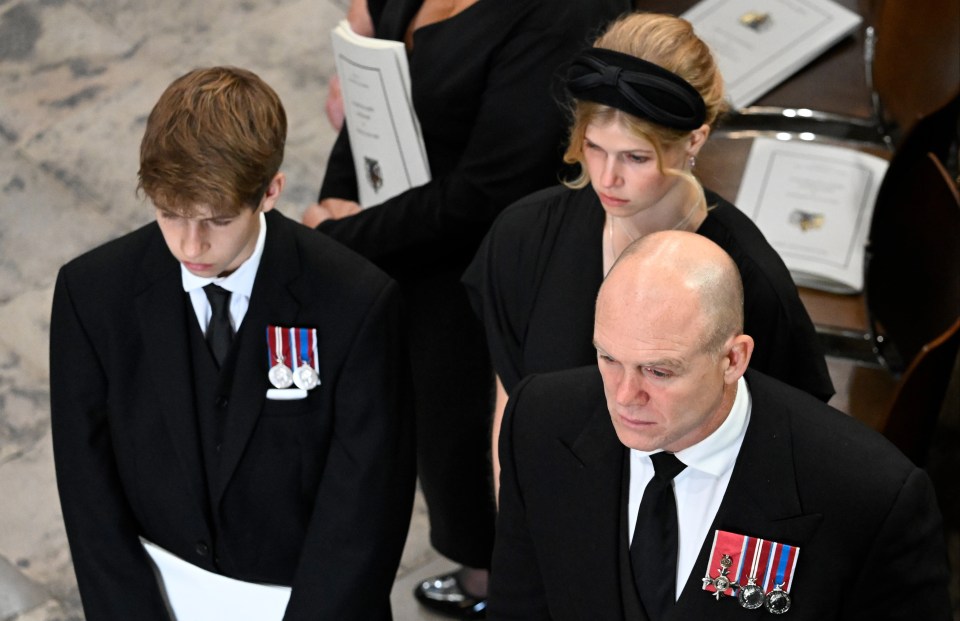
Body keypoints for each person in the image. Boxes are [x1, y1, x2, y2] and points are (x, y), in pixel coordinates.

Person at [49, 67, 415, 621]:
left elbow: (367, 508)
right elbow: (87, 493)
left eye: (216, 220)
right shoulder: (93, 295)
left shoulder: (356, 303)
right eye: (169, 213)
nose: (189, 245)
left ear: (270, 191)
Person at [303, 0, 630, 616]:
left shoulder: (562, 17)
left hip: (480, 264)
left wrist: (342, 236)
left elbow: (488, 192)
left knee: (466, 430)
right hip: (403, 218)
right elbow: (373, 63)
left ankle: (494, 580)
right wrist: (338, 195)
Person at [463, 12, 835, 497]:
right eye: (595, 148)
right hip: (552, 501)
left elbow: (782, 449)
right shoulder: (524, 236)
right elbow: (512, 409)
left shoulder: (750, 280)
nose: (607, 178)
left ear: (694, 140)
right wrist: (515, 531)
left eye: (636, 157)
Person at [488, 230, 951, 620]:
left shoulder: (868, 494)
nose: (624, 396)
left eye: (659, 371)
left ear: (734, 359)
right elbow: (518, 605)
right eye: (608, 358)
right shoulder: (541, 421)